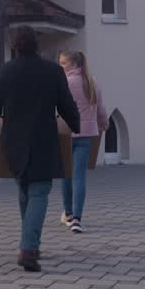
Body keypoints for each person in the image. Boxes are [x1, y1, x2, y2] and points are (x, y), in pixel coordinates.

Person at [0, 26, 80, 272]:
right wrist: (75, 124)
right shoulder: (53, 71)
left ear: (14, 46)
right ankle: (28, 248)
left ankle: (31, 245)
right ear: (37, 44)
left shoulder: (2, 73)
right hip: (43, 141)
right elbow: (68, 109)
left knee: (25, 191)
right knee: (39, 192)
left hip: (13, 144)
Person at [58, 50, 109, 234]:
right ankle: (77, 220)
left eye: (63, 63)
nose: (60, 66)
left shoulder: (64, 82)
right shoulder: (92, 82)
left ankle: (68, 214)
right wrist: (104, 125)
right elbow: (100, 109)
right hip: (86, 136)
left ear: (73, 64)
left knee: (66, 175)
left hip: (65, 135)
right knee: (79, 177)